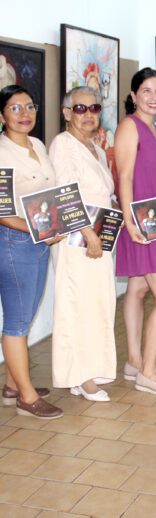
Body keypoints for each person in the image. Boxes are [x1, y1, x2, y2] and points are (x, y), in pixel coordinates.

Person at [114, 68, 156, 395]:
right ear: (133, 96)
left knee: (138, 289)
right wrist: (130, 222)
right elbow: (124, 176)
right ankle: (149, 373)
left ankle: (135, 361)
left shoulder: (155, 129)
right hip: (142, 223)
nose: (153, 97)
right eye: (146, 91)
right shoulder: (130, 126)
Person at [49, 86, 116, 401]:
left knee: (98, 304)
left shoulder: (96, 148)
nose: (88, 114)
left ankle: (91, 368)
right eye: (80, 108)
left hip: (98, 238)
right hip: (78, 239)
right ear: (66, 113)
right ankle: (80, 377)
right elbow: (65, 193)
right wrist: (88, 234)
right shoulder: (63, 145)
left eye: (94, 108)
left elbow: (104, 194)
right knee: (77, 305)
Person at [0, 85, 63, 419]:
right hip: (15, 242)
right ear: (2, 115)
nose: (25, 114)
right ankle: (26, 398)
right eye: (15, 108)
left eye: (29, 106)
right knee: (17, 320)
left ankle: (13, 386)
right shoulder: (2, 154)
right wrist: (39, 230)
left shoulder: (38, 145)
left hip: (40, 240)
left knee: (26, 314)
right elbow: (2, 212)